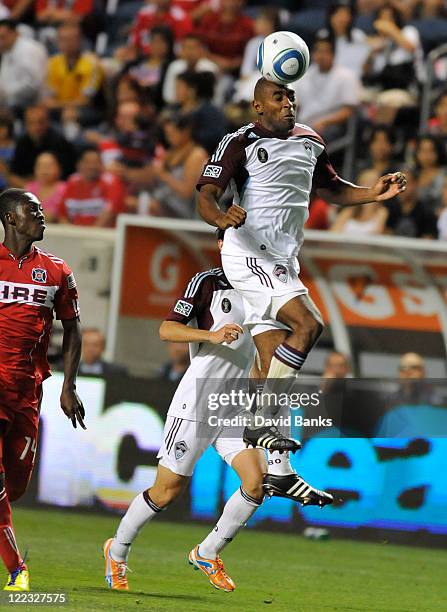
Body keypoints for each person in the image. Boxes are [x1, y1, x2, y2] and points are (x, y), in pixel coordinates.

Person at [103, 231, 331, 592]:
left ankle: (208, 552)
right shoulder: (208, 281)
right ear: (223, 246)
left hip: (236, 407)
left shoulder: (268, 288)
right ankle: (116, 552)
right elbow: (166, 329)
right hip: (198, 399)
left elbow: (266, 354)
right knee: (166, 491)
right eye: (234, 240)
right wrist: (211, 336)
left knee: (257, 484)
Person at [196, 76, 406, 454]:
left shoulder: (311, 140)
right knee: (309, 324)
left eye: (290, 96)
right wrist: (220, 218)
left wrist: (373, 192)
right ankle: (259, 422)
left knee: (273, 358)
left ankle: (267, 462)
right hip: (248, 252)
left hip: (283, 260)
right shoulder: (241, 141)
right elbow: (206, 196)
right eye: (278, 97)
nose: (288, 102)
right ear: (258, 106)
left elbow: (333, 188)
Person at [0, 188, 85, 591]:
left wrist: (69, 385)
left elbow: (72, 328)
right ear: (10, 218)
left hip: (28, 391)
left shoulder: (56, 270)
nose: (41, 215)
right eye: (31, 210)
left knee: (13, 487)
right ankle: (18, 570)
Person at [293, 30, 360, 139]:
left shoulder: (346, 76)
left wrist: (324, 122)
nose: (321, 56)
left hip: (330, 125)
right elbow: (297, 105)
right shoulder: (304, 75)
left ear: (333, 54)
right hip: (304, 124)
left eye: (325, 52)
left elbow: (348, 111)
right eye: (318, 51)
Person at [147, 114, 208, 218]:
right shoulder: (170, 152)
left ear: (185, 132)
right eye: (167, 134)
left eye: (172, 134)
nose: (169, 138)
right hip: (163, 200)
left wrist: (163, 175)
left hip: (184, 210)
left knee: (146, 205)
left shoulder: (196, 154)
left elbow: (187, 192)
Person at [43, 21, 103, 123]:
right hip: (61, 107)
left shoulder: (92, 63)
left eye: (71, 39)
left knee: (70, 115)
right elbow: (49, 98)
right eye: (62, 40)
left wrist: (63, 106)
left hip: (89, 109)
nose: (67, 44)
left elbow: (86, 100)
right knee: (36, 114)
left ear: (79, 40)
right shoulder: (52, 63)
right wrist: (63, 106)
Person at [9, 105, 75, 186]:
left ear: (48, 122)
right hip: (29, 189)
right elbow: (13, 175)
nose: (36, 127)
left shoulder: (60, 142)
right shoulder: (22, 142)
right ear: (25, 124)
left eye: (40, 122)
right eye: (31, 123)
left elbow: (64, 177)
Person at [59, 147, 125, 227]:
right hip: (74, 234)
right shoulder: (72, 181)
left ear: (102, 164)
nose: (92, 166)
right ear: (78, 164)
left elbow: (109, 214)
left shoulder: (111, 181)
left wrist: (88, 235)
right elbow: (62, 214)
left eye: (96, 162)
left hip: (102, 235)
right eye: (88, 162)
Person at [0, 19, 47, 111]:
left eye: (2, 37)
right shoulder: (8, 50)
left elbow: (32, 84)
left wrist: (6, 93)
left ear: (15, 33)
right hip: (14, 104)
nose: (0, 42)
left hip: (34, 105)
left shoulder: (28, 49)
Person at [24, 152, 66, 224]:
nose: (44, 170)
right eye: (40, 166)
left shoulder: (64, 189)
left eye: (49, 166)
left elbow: (58, 216)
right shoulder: (29, 188)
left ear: (58, 168)